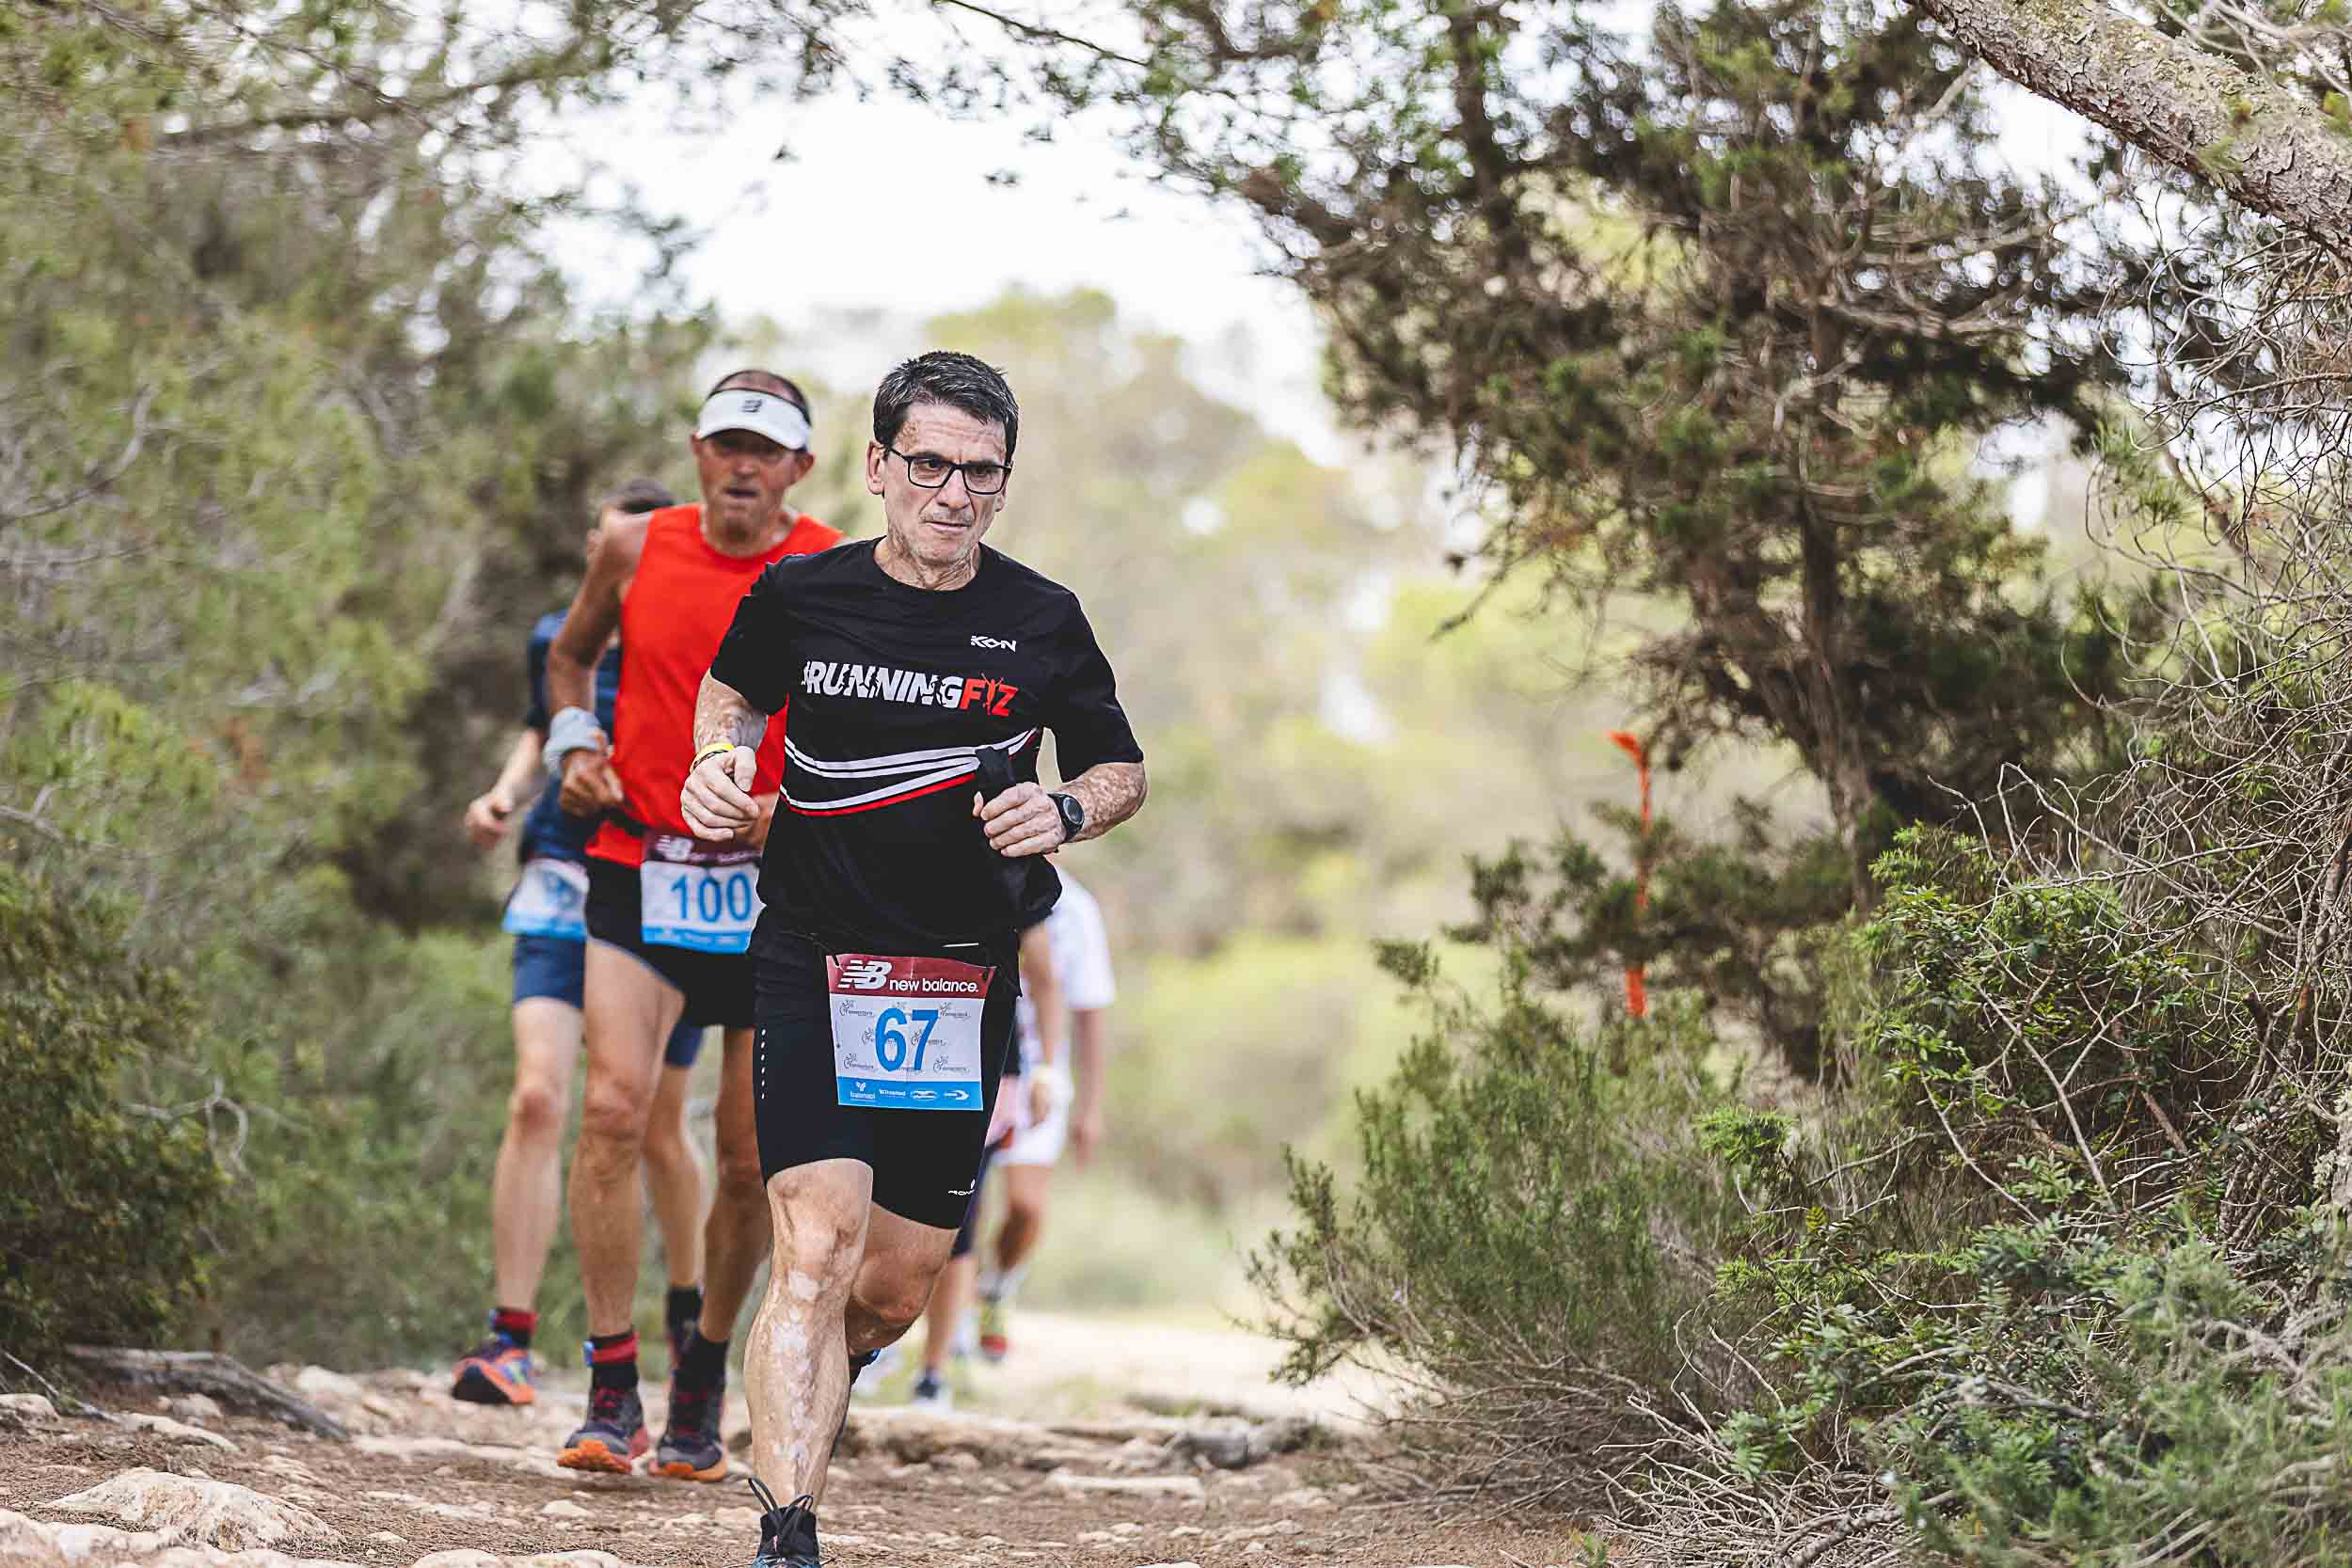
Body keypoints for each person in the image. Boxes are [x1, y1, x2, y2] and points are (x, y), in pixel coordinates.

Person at [677, 351, 1147, 1567]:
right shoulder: (802, 593)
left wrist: (1068, 808)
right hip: (812, 952)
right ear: (879, 465)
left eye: (980, 472)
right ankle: (788, 1528)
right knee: (814, 1244)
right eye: (929, 464)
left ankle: (808, 1370)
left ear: (1005, 481)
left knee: (891, 1286)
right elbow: (730, 693)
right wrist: (721, 760)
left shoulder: (1043, 619)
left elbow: (1119, 766)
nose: (953, 492)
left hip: (956, 976)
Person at [541, 371, 842, 1481]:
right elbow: (568, 655)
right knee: (613, 1109)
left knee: (750, 1157)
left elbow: (859, 723)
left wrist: (792, 802)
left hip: (774, 886)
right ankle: (611, 1379)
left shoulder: (833, 565)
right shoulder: (635, 545)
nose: (742, 464)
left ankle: (703, 1372)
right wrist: (577, 744)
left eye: (765, 450)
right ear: (698, 451)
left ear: (800, 468)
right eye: (725, 443)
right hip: (640, 861)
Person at [449, 480, 714, 1409]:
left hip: (661, 889)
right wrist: (502, 794)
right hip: (562, 881)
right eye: (609, 543)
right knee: (537, 1097)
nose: (622, 559)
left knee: (653, 1125)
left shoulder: (700, 631)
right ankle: (510, 1338)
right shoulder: (554, 637)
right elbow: (541, 728)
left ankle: (687, 1316)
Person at [910, 920, 1064, 1411]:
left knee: (958, 1220)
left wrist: (1047, 1071)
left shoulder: (1015, 885)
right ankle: (874, 1348)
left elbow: (1045, 977)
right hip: (893, 1052)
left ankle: (932, 1373)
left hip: (987, 1066)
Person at [976, 869, 1116, 1363]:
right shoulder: (979, 876)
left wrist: (1089, 1106)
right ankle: (941, 1338)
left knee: (1026, 1206)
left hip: (1039, 1072)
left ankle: (997, 1287)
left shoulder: (1076, 910)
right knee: (960, 1209)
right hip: (974, 1064)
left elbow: (1090, 1011)